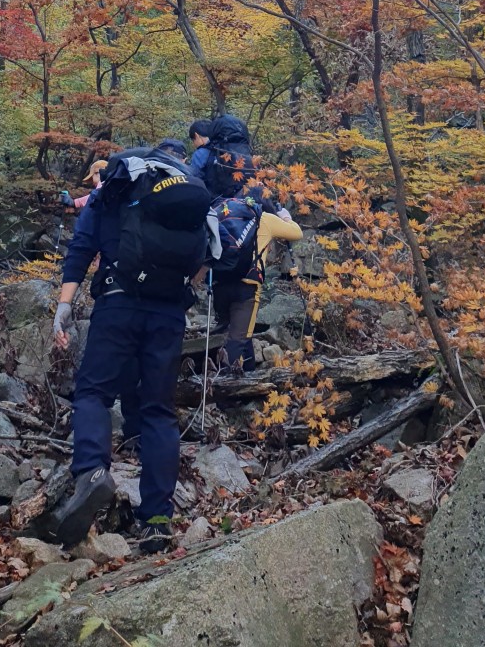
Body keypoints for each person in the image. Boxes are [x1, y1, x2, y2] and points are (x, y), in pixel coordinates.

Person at [48, 147, 211, 553]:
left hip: (117, 305)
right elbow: (210, 256)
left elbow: (81, 249)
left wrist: (64, 307)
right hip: (168, 315)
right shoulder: (185, 198)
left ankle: (90, 473)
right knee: (157, 410)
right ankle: (156, 519)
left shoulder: (113, 193)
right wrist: (177, 287)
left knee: (93, 393)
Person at [212, 197, 302, 371]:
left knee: (242, 332)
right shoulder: (265, 218)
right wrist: (285, 217)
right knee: (238, 338)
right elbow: (296, 232)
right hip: (247, 285)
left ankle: (249, 372)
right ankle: (226, 390)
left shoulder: (225, 214)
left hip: (220, 282)